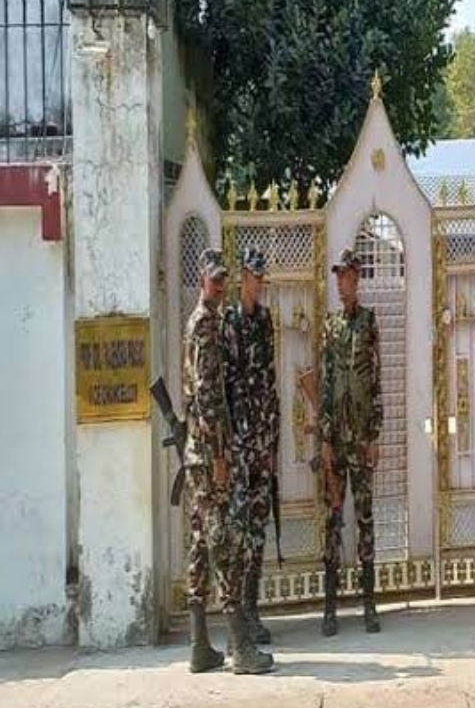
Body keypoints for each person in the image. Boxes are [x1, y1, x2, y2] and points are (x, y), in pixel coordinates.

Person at [182, 247, 274, 675]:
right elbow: (207, 396)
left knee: (202, 542)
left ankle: (200, 645)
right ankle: (241, 647)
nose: (219, 285)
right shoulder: (205, 325)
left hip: (199, 452)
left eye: (223, 279)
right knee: (224, 543)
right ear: (202, 279)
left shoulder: (206, 321)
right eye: (214, 279)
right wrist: (220, 453)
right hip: (209, 453)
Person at [319, 247, 383, 636]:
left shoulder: (369, 322)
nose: (340, 283)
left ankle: (369, 605)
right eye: (338, 277)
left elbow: (375, 381)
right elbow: (325, 384)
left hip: (360, 438)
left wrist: (374, 436)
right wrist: (325, 440)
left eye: (345, 277)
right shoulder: (330, 327)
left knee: (365, 518)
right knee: (332, 520)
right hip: (337, 442)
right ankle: (329, 609)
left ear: (356, 279)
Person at [223, 248, 279, 645]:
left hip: (261, 439)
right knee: (239, 530)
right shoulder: (228, 321)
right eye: (253, 277)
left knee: (258, 527)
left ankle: (252, 611)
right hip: (239, 443)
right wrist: (227, 447)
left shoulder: (264, 320)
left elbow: (270, 380)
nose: (257, 284)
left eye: (261, 278)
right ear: (242, 277)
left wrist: (272, 441)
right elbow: (225, 385)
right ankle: (236, 620)